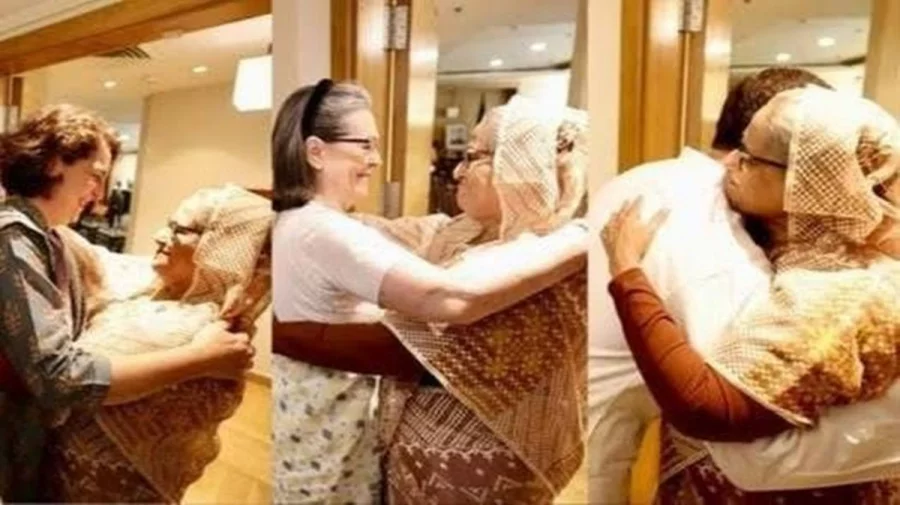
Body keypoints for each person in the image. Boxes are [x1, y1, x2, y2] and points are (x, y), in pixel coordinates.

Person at [270, 80, 587, 504]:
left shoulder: (542, 264)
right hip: (389, 454)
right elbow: (385, 241)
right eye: (365, 146)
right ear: (316, 152)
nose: (456, 171)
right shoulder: (460, 234)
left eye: (472, 157)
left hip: (474, 469)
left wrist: (286, 334)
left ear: (520, 167)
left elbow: (415, 341)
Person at [602, 86, 900, 503]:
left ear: (806, 183)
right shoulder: (821, 249)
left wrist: (627, 271)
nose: (729, 163)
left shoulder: (841, 294)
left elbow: (706, 408)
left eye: (749, 157)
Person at [0, 105, 254, 501]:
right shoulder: (14, 240)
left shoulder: (48, 235)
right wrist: (200, 358)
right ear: (53, 163)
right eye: (95, 176)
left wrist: (226, 282)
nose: (99, 195)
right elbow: (58, 378)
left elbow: (115, 270)